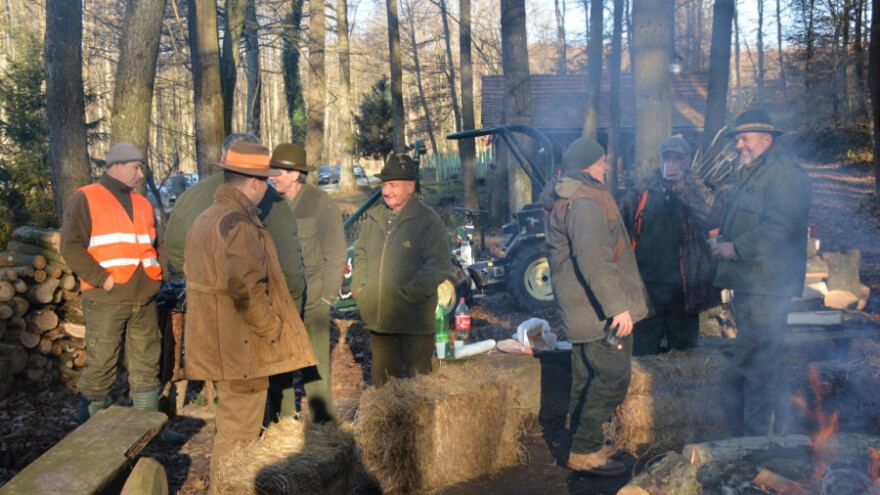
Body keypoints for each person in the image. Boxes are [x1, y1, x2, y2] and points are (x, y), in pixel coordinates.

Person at [183, 142, 317, 484]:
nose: (268, 186)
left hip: (218, 344)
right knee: (239, 439)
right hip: (240, 350)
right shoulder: (239, 224)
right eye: (266, 180)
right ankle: (228, 490)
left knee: (229, 430)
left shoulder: (206, 217)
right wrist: (272, 330)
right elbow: (247, 291)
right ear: (255, 182)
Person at [698, 109, 811, 436]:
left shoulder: (783, 174)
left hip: (768, 287)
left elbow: (781, 226)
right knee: (767, 363)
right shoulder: (755, 172)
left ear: (767, 138)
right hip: (753, 283)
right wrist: (726, 239)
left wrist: (736, 248)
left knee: (757, 365)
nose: (738, 145)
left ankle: (754, 443)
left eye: (743, 139)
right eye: (737, 139)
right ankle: (780, 435)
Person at [61, 143, 183, 443]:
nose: (140, 174)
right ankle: (91, 438)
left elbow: (157, 243)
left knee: (146, 366)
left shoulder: (142, 203)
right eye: (136, 167)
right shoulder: (86, 197)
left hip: (144, 298)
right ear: (116, 165)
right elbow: (70, 245)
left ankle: (150, 431)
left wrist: (160, 277)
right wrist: (101, 279)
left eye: (141, 168)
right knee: (101, 366)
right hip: (106, 300)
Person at [543, 137, 650, 476]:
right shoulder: (585, 201)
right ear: (591, 165)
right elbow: (595, 261)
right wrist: (618, 307)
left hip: (584, 310)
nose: (608, 166)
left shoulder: (575, 195)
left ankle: (577, 441)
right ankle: (586, 449)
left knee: (586, 377)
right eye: (604, 161)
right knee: (614, 377)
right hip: (598, 312)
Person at [165, 133, 306, 312]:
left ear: (223, 158)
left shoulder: (189, 197)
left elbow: (174, 249)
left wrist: (201, 276)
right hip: (256, 310)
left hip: (202, 309)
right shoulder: (273, 201)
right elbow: (290, 268)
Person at [351, 153, 452, 387]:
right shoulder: (374, 219)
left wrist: (408, 296)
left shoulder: (428, 221)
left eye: (393, 185)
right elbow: (361, 254)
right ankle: (389, 426)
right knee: (384, 391)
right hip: (380, 322)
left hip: (414, 322)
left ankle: (420, 425)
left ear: (411, 187)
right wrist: (360, 287)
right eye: (384, 185)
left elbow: (438, 266)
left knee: (419, 389)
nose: (386, 191)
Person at [266, 143, 346, 424]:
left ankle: (325, 425)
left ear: (295, 174)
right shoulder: (267, 204)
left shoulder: (322, 205)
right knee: (280, 367)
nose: (272, 175)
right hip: (280, 303)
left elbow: (336, 254)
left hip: (313, 303)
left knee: (316, 367)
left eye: (278, 171)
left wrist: (326, 298)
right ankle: (285, 425)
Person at [619, 136, 718, 355]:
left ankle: (682, 391)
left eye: (678, 158)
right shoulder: (640, 192)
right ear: (659, 159)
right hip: (645, 289)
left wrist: (683, 186)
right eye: (667, 157)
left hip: (684, 290)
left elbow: (714, 216)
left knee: (685, 356)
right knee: (642, 355)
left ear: (688, 161)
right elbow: (618, 231)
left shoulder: (699, 189)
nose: (671, 163)